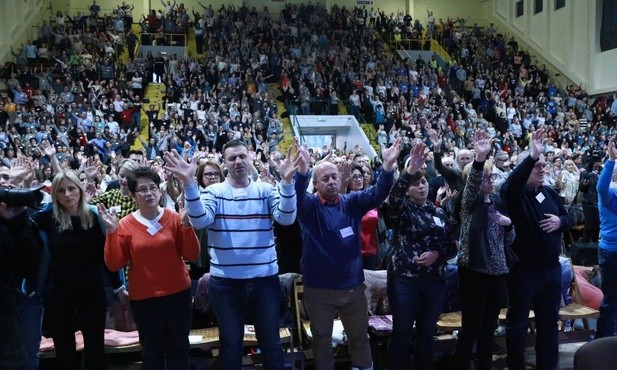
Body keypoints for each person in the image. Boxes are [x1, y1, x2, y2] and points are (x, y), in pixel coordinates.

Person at [164, 139, 298, 370]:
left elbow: (286, 218)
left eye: (242, 156)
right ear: (224, 163)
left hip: (264, 281)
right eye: (232, 158)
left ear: (251, 158)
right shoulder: (214, 192)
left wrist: (286, 182)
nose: (238, 161)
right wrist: (189, 184)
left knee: (271, 344)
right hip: (226, 284)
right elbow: (199, 219)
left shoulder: (265, 190)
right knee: (231, 345)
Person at [294, 137, 401, 370]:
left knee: (359, 338)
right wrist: (302, 172)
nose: (332, 181)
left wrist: (387, 166)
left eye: (335, 177)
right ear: (316, 184)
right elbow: (297, 196)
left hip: (352, 287)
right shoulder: (309, 208)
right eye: (325, 178)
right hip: (319, 290)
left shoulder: (352, 202)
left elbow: (378, 193)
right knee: (322, 341)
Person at [5, 170, 124, 370]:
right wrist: (20, 183)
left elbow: (106, 258)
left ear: (80, 189)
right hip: (59, 291)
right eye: (61, 191)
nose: (67, 195)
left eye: (71, 189)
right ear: (55, 195)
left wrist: (118, 286)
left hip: (91, 289)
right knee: (64, 351)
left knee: (95, 348)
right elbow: (22, 230)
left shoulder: (96, 216)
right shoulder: (46, 217)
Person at [100, 167, 200, 369]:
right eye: (142, 190)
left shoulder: (174, 218)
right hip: (144, 299)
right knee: (151, 353)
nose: (148, 193)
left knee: (179, 350)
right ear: (134, 195)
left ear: (160, 191)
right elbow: (114, 263)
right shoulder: (125, 225)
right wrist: (111, 232)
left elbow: (191, 255)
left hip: (178, 295)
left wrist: (187, 225)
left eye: (152, 188)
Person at [500, 129, 573, 370]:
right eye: (536, 166)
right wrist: (530, 156)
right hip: (524, 271)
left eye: (544, 165)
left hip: (551, 270)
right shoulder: (515, 195)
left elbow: (570, 216)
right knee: (518, 323)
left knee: (549, 323)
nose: (543, 169)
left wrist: (561, 222)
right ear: (524, 169)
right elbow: (509, 187)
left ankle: (547, 366)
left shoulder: (549, 192)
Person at [386, 142, 457, 370]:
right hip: (405, 281)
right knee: (403, 332)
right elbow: (393, 198)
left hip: (434, 281)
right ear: (407, 189)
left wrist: (437, 254)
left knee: (427, 333)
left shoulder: (438, 211)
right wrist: (409, 172)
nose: (421, 187)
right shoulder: (402, 210)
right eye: (415, 184)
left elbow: (451, 247)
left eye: (424, 182)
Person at [455, 130, 516, 370]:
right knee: (472, 327)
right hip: (475, 271)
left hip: (498, 271)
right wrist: (479, 160)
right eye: (486, 178)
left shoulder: (498, 202)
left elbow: (509, 240)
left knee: (489, 328)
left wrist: (508, 224)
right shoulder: (469, 203)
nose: (491, 181)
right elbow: (471, 188)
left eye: (492, 178)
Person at [0, 167, 44, 370]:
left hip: (13, 304)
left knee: (20, 360)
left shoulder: (19, 217)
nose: (3, 183)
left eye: (7, 178)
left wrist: (17, 222)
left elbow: (31, 263)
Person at [595, 138, 617, 338]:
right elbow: (601, 187)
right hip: (611, 253)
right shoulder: (609, 194)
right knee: (611, 299)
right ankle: (603, 342)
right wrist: (611, 159)